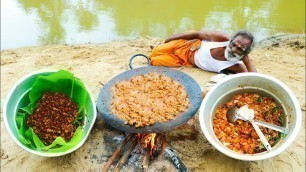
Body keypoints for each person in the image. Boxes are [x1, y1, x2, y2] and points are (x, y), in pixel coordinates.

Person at [149, 30, 257, 73]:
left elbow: (255, 80)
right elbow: (196, 34)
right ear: (231, 40)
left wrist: (247, 61)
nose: (233, 49)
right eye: (233, 44)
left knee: (154, 61)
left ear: (245, 54)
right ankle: (161, 48)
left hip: (184, 61)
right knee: (155, 51)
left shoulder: (236, 66)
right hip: (186, 46)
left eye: (240, 49)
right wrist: (170, 39)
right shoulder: (222, 38)